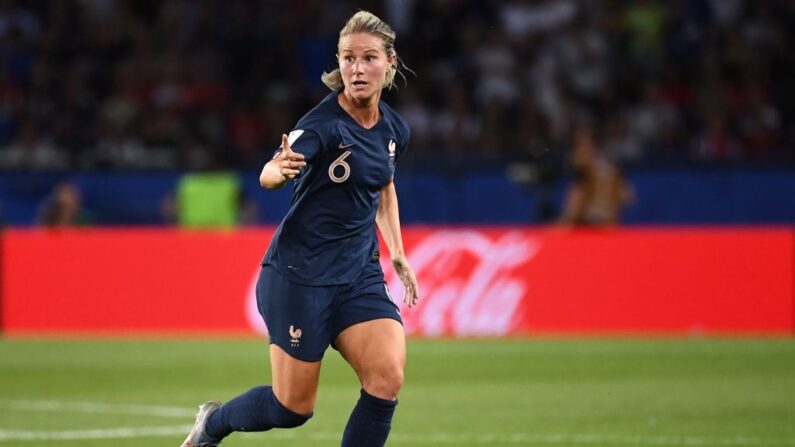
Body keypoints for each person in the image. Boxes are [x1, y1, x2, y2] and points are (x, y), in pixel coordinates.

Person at [181, 10, 420, 447]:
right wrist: (276, 169)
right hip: (299, 275)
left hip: (357, 276)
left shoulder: (394, 129)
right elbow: (271, 171)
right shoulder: (322, 124)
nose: (357, 68)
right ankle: (213, 424)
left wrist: (398, 252)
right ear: (338, 63)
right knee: (292, 408)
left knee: (387, 376)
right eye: (348, 58)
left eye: (368, 58)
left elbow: (383, 185)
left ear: (390, 62)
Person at [558, 126, 634, 226]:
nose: (576, 151)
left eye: (579, 145)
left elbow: (576, 201)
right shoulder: (612, 168)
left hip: (589, 226)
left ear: (591, 146)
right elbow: (628, 197)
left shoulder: (584, 168)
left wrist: (564, 224)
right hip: (609, 226)